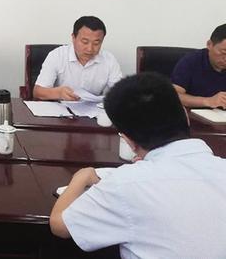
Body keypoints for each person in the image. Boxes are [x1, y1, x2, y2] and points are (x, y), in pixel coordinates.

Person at [50, 72, 226, 258]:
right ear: (185, 115)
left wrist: (82, 177)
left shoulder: (125, 183)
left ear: (127, 140)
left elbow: (60, 225)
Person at [33, 16, 122, 101]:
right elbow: (37, 92)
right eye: (85, 42)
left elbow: (121, 92)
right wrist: (58, 93)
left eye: (96, 43)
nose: (90, 49)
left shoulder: (109, 60)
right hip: (61, 109)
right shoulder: (57, 55)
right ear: (73, 38)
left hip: (93, 110)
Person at [171, 23, 226, 109]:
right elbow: (174, 95)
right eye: (223, 53)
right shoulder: (191, 61)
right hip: (193, 114)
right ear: (209, 44)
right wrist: (208, 101)